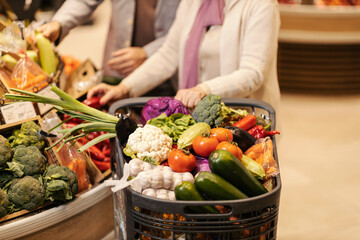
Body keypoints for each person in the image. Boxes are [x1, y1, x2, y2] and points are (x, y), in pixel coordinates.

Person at [88, 0, 281, 112]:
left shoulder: (260, 5)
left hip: (242, 118)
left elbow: (253, 73)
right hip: (198, 116)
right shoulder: (194, 2)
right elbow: (169, 53)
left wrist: (203, 89)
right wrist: (125, 88)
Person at [37, 0, 181, 95]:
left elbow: (190, 30)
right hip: (117, 68)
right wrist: (59, 23)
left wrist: (147, 53)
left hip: (169, 77)